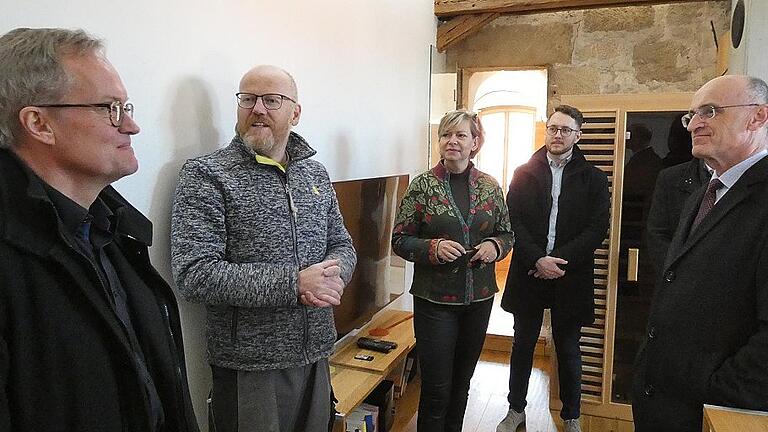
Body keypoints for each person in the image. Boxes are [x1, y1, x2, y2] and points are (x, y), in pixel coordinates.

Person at [0, 28, 199, 432]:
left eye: (126, 106)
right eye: (110, 108)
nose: (132, 125)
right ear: (39, 123)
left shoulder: (114, 230)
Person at [171, 65, 356, 432]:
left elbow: (342, 243)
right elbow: (194, 273)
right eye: (248, 99)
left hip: (316, 352)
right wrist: (295, 284)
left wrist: (334, 276)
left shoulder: (314, 174)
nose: (258, 109)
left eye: (272, 100)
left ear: (295, 113)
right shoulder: (206, 175)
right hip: (249, 367)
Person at [632, 75, 768, 431]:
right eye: (691, 115)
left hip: (709, 409)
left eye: (710, 111)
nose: (695, 123)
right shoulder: (704, 192)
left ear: (758, 117)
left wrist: (713, 389)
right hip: (661, 399)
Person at [392, 109, 514, 432]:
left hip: (479, 299)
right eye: (447, 134)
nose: (452, 141)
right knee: (436, 392)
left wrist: (495, 247)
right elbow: (400, 240)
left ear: (476, 142)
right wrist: (433, 248)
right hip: (435, 302)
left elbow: (507, 233)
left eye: (461, 135)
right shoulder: (422, 186)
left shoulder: (490, 186)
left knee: (462, 387)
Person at [497, 105, 610, 432]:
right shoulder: (523, 172)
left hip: (569, 274)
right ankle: (515, 410)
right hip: (529, 271)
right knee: (523, 344)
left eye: (565, 130)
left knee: (568, 347)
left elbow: (596, 229)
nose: (557, 135)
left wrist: (558, 261)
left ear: (578, 135)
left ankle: (572, 417)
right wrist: (537, 259)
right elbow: (512, 220)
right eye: (552, 128)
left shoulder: (593, 178)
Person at [645, 158, 711, 279]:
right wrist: (678, 275)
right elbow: (657, 234)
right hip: (676, 281)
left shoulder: (751, 177)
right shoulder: (670, 178)